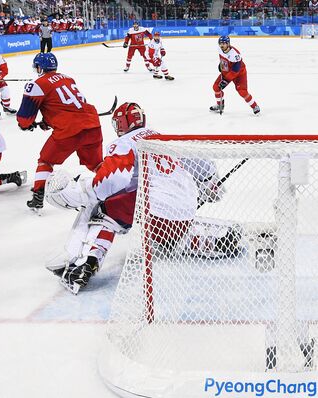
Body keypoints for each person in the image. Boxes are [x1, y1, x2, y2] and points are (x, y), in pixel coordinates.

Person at [44, 102, 224, 294]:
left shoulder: (125, 143)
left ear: (122, 123)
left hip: (156, 209)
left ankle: (84, 263)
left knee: (103, 210)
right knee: (167, 237)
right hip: (184, 209)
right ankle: (214, 239)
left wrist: (86, 194)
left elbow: (112, 180)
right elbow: (203, 164)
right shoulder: (162, 138)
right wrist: (211, 185)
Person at [16, 53, 103, 212]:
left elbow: (25, 117)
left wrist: (25, 125)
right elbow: (67, 105)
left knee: (45, 161)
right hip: (92, 125)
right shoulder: (68, 78)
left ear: (39, 67)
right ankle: (114, 189)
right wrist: (47, 121)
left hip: (68, 131)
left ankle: (38, 196)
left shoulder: (37, 84)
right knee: (97, 165)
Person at [211, 36, 260, 115]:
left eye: (224, 43)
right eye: (220, 43)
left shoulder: (235, 54)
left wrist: (226, 80)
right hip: (227, 71)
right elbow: (223, 58)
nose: (222, 45)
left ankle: (255, 106)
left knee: (242, 91)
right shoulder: (220, 49)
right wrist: (221, 65)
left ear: (228, 44)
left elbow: (236, 70)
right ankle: (220, 106)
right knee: (216, 87)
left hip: (240, 74)